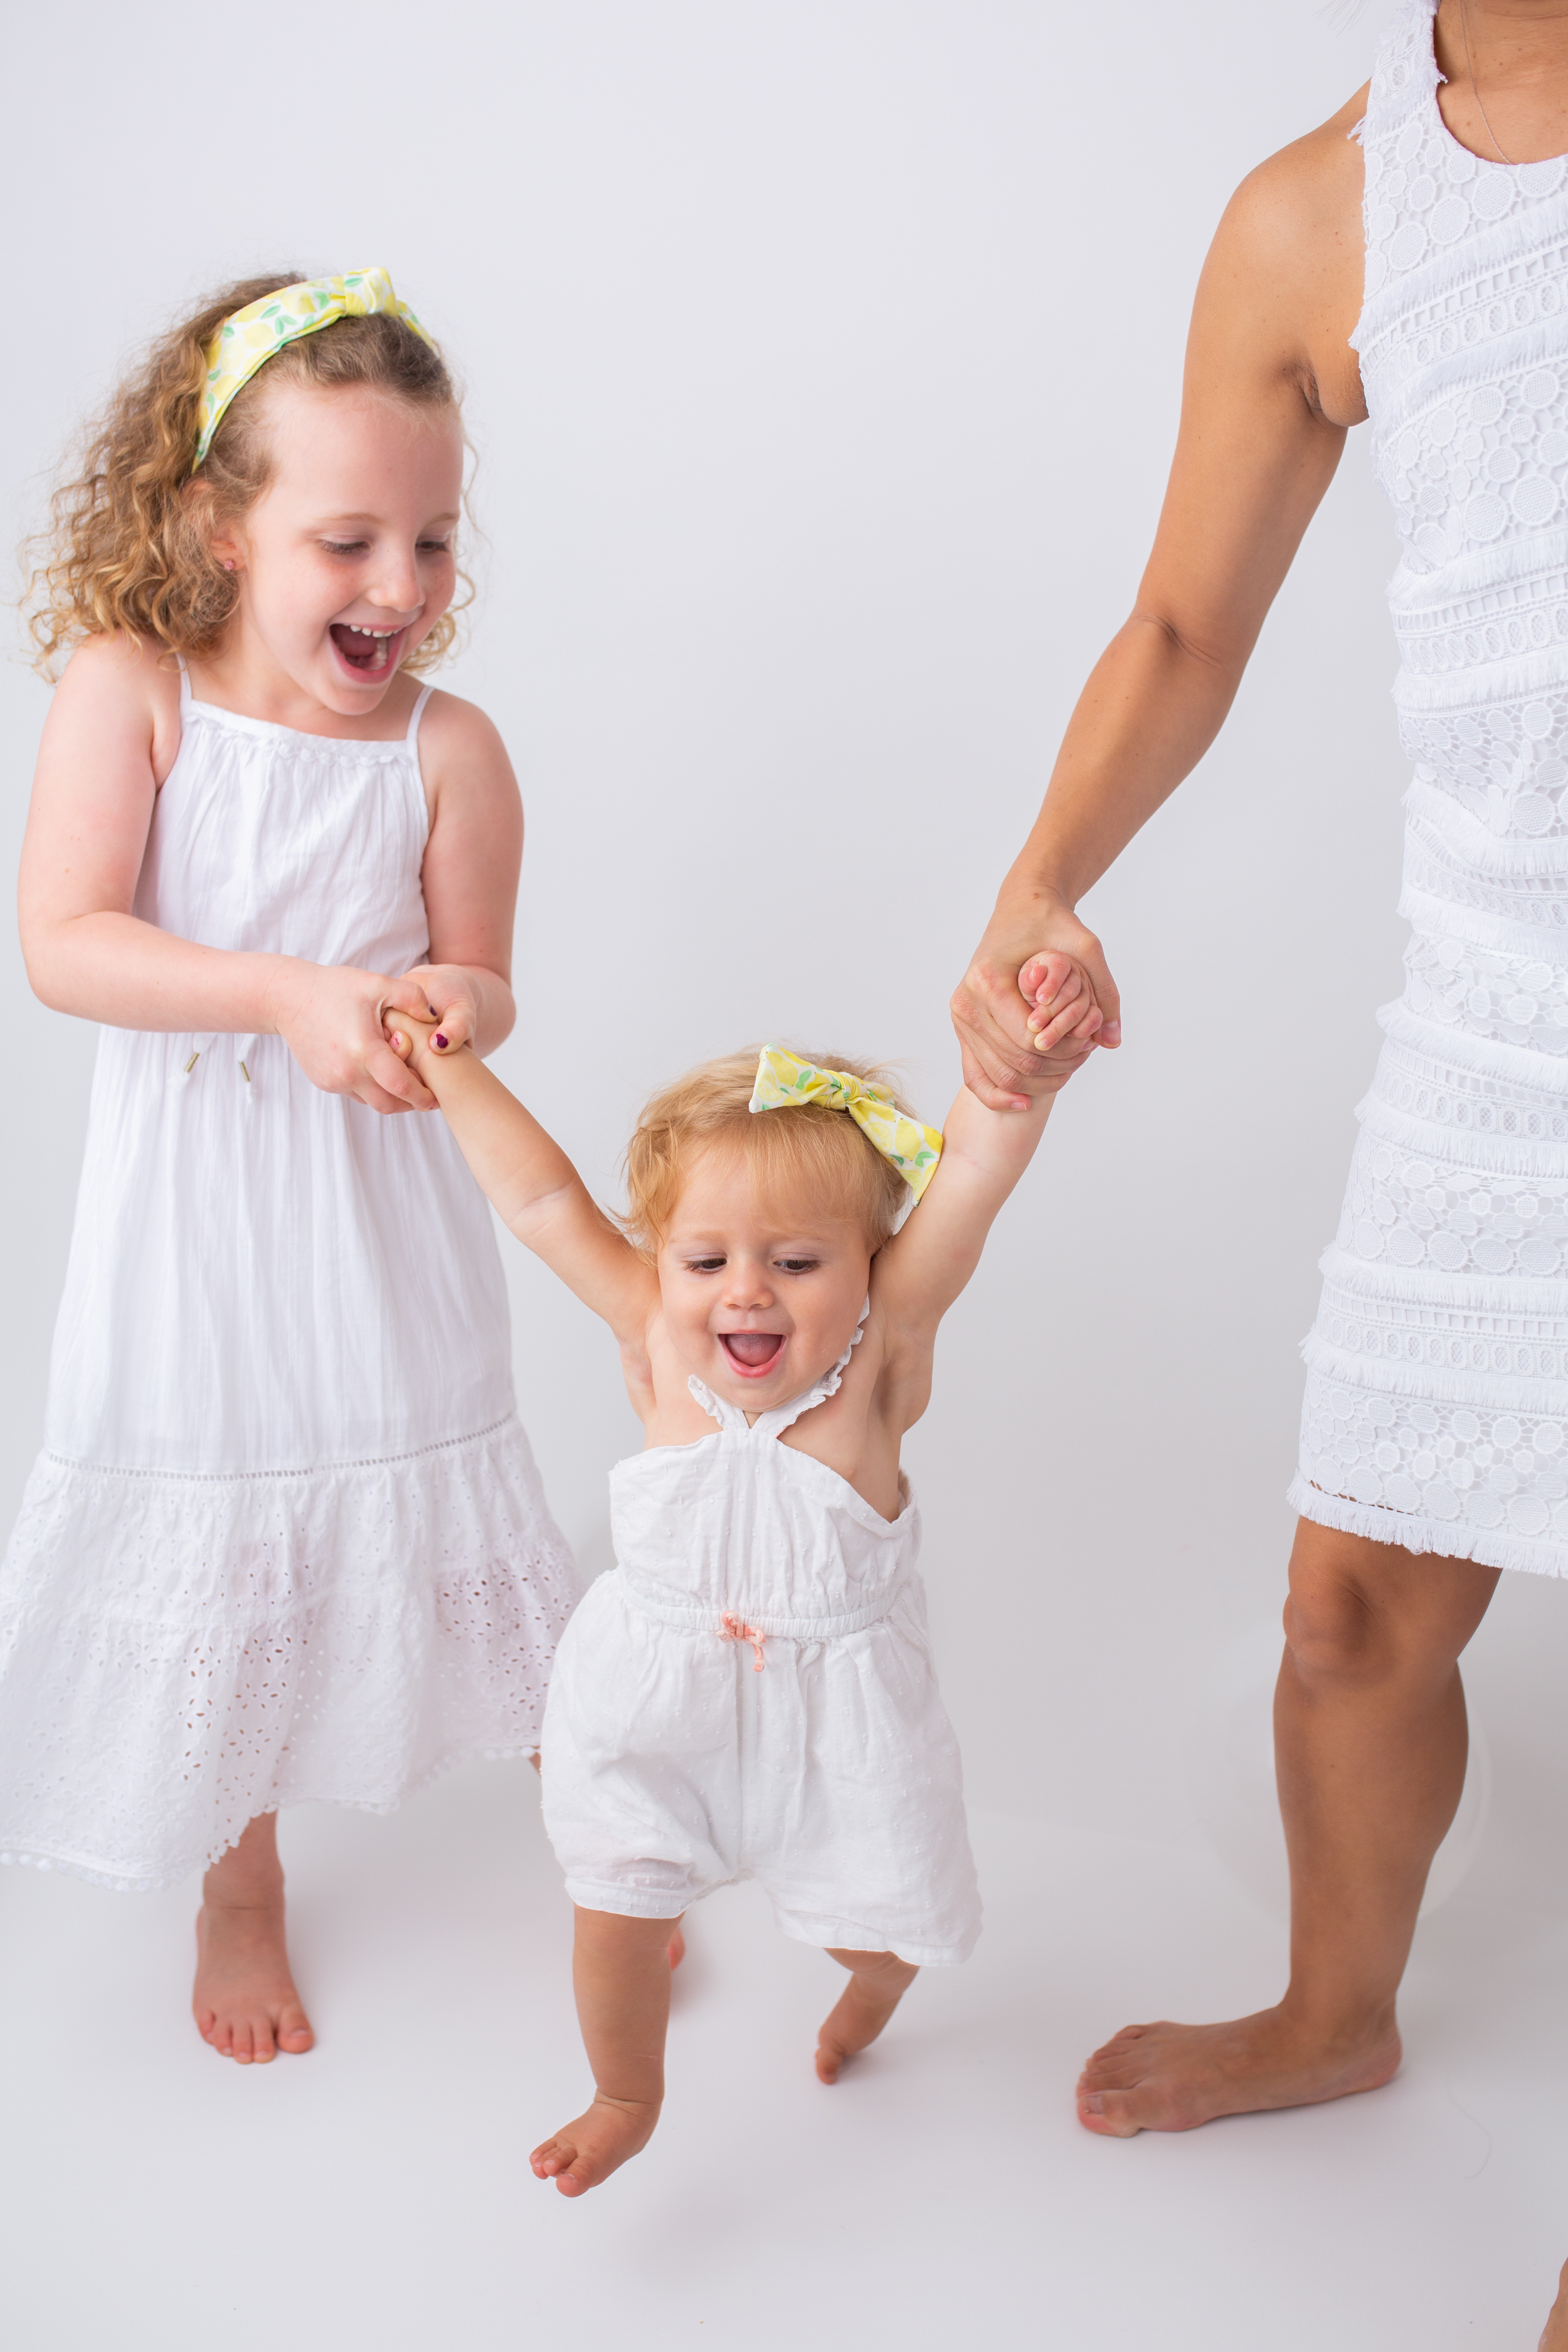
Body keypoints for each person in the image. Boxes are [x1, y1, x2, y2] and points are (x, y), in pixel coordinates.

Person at [954, 1, 1568, 2339]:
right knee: (1347, 1622)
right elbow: (1187, 624)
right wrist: (1037, 883)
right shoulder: (1319, 218)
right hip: (1501, 1025)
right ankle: (1338, 2010)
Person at [3, 268, 581, 2064]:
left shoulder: (449, 748)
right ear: (215, 525)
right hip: (195, 1231)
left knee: (444, 1495)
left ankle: (619, 1841)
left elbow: (485, 970)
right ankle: (239, 1880)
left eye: (430, 537)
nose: (400, 588)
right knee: (227, 1532)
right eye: (348, 538)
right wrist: (275, 992)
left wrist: (441, 999)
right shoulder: (135, 687)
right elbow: (66, 942)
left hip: (374, 1223)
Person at [379, 1015, 1073, 2192]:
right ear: (664, 1266)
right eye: (706, 1262)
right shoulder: (654, 1338)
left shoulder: (884, 1355)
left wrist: (1024, 1074)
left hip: (838, 1730)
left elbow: (972, 1177)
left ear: (869, 1263)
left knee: (881, 1925)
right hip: (653, 1711)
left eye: (796, 1263)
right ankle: (625, 2090)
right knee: (615, 1914)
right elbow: (544, 1197)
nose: (744, 1293)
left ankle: (875, 1984)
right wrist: (452, 1066)